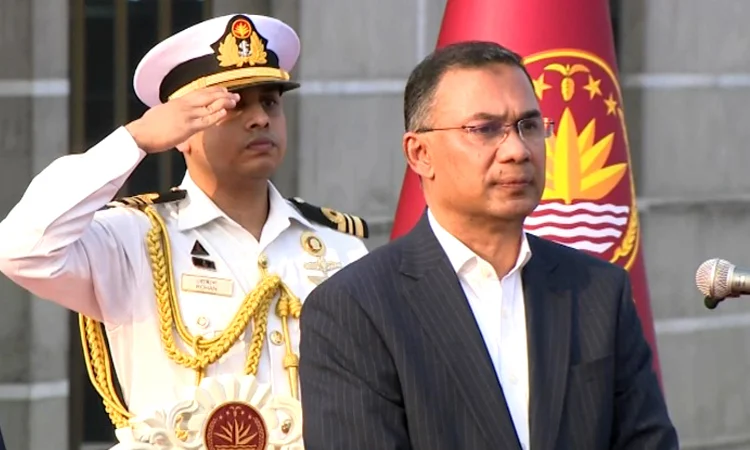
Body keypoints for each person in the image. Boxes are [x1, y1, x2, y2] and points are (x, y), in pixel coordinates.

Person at [0, 13, 368, 447]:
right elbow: (20, 248)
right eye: (233, 105)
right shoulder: (134, 239)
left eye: (270, 102)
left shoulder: (337, 246)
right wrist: (134, 139)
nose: (259, 119)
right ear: (181, 132)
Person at [298, 41, 679, 450]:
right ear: (420, 153)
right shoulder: (355, 309)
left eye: (529, 126)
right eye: (484, 129)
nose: (517, 150)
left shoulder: (598, 291)